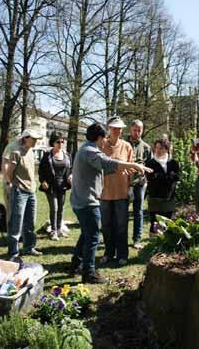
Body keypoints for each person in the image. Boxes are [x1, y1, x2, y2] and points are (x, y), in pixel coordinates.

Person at [70, 122, 152, 284]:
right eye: (104, 137)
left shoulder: (87, 149)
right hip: (87, 201)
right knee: (93, 236)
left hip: (83, 200)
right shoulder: (89, 151)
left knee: (86, 234)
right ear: (99, 138)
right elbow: (107, 162)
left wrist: (124, 168)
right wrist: (133, 164)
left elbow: (105, 167)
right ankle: (89, 273)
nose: (105, 141)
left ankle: (76, 263)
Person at [5, 129, 43, 260]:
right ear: (26, 138)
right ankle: (13, 253)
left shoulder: (31, 152)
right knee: (16, 223)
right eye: (33, 139)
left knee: (30, 222)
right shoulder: (16, 153)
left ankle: (29, 247)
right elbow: (9, 172)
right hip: (19, 191)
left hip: (31, 192)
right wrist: (11, 184)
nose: (36, 141)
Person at [101, 116, 133, 266]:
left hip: (121, 192)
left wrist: (131, 186)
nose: (118, 131)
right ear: (109, 129)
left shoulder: (126, 146)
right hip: (104, 193)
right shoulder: (101, 145)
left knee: (121, 226)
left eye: (120, 128)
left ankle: (122, 254)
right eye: (114, 128)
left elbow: (131, 167)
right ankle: (108, 252)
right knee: (106, 225)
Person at [38, 131, 72, 241]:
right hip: (51, 186)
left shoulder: (67, 155)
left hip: (63, 186)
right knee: (55, 208)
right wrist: (42, 181)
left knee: (61, 209)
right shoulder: (47, 155)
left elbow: (70, 169)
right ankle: (53, 231)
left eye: (62, 141)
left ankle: (59, 229)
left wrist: (70, 176)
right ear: (53, 142)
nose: (61, 143)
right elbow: (41, 170)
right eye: (58, 141)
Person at [146, 139, 179, 234]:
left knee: (168, 224)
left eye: (161, 148)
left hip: (169, 198)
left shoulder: (173, 163)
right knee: (155, 225)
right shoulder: (150, 163)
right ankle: (153, 246)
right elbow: (152, 179)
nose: (158, 150)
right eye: (156, 148)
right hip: (155, 198)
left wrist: (160, 176)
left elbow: (176, 177)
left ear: (167, 149)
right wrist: (168, 176)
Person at [127, 119, 152, 249]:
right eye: (135, 130)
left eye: (139, 130)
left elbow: (150, 166)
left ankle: (137, 239)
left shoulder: (146, 147)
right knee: (121, 212)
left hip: (139, 184)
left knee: (138, 212)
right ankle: (120, 238)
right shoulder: (123, 143)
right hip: (124, 183)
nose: (137, 132)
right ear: (130, 129)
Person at [2, 137, 22, 225]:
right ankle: (11, 234)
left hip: (20, 184)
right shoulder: (12, 147)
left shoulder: (25, 148)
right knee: (10, 209)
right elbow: (5, 164)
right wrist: (8, 182)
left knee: (19, 209)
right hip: (10, 183)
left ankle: (18, 233)